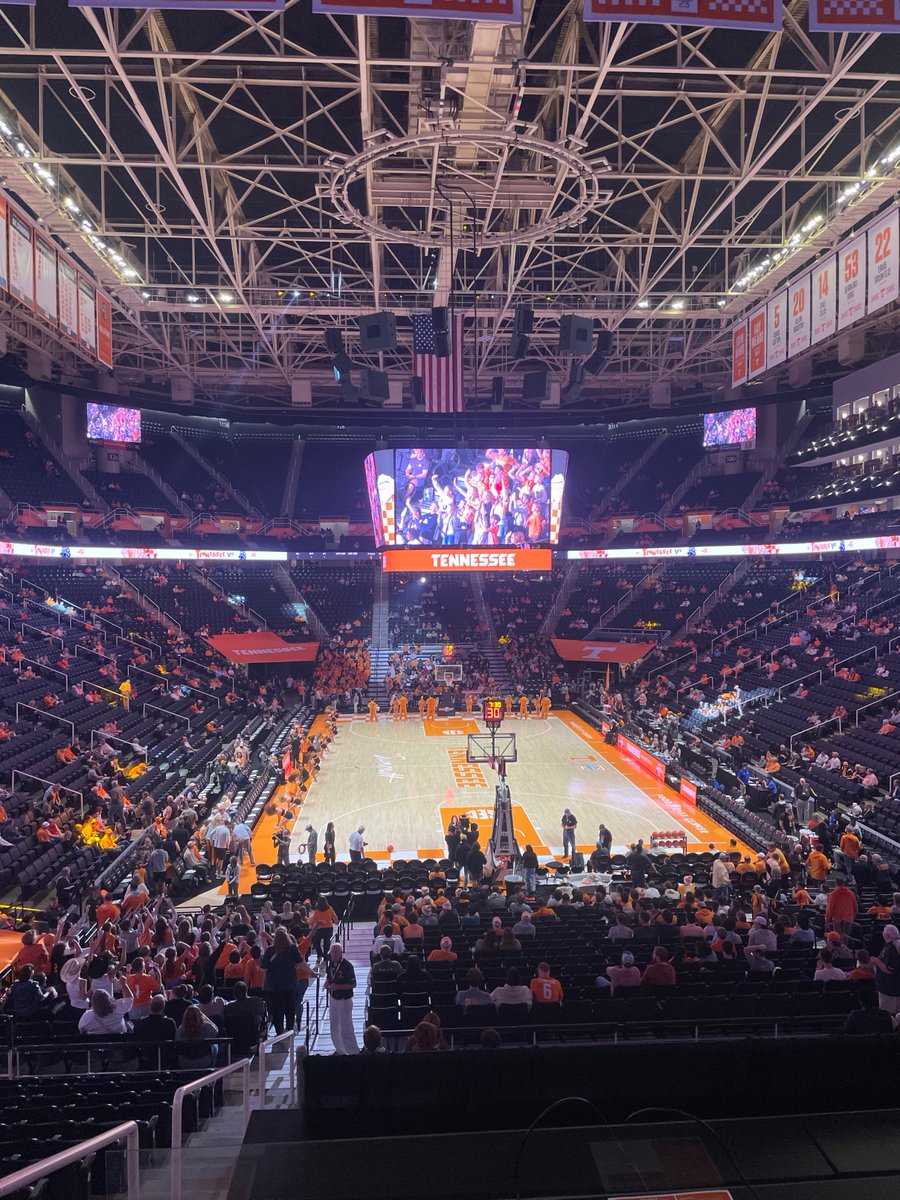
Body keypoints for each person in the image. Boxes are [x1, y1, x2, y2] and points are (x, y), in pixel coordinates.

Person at [261, 928, 301, 1036]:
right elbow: (301, 962)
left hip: (274, 987)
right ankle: (289, 1029)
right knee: (290, 1008)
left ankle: (279, 1033)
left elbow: (263, 968)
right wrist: (311, 972)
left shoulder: (270, 950)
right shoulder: (292, 949)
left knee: (277, 1011)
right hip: (290, 985)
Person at [326, 944, 360, 1055]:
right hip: (333, 998)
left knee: (346, 1028)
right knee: (334, 1027)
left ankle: (353, 1052)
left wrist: (338, 986)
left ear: (341, 953)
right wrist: (328, 983)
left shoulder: (347, 966)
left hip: (344, 1000)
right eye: (332, 952)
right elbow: (330, 977)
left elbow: (353, 984)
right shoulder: (330, 964)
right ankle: (341, 1050)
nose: (334, 954)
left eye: (336, 952)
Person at [224, 981, 269, 1057]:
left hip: (236, 1037)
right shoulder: (257, 1001)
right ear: (246, 991)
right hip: (252, 1036)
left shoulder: (229, 1007)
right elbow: (262, 1016)